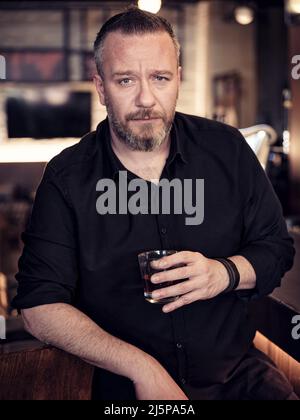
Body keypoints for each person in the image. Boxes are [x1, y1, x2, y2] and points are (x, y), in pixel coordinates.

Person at [13, 6, 298, 400]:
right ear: (100, 85)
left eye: (160, 78)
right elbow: (39, 305)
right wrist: (141, 368)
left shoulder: (228, 149)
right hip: (127, 386)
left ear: (178, 79)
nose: (146, 98)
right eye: (125, 79)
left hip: (235, 375)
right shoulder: (66, 177)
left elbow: (276, 249)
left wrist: (222, 273)